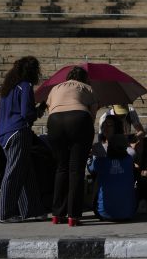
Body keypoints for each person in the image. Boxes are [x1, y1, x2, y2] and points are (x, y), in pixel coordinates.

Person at [45, 66, 99, 226]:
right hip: (79, 119)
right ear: (84, 78)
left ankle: (57, 214)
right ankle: (73, 216)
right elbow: (93, 113)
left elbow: (50, 108)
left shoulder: (55, 88)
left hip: (54, 121)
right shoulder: (87, 87)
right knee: (76, 169)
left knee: (61, 168)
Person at [0, 56, 45, 223]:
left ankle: (32, 209)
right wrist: (36, 111)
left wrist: (36, 110)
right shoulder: (26, 86)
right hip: (19, 132)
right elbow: (26, 114)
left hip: (5, 133)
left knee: (26, 171)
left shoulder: (8, 88)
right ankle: (5, 213)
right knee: (15, 172)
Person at [88, 131, 136, 221]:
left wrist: (94, 156)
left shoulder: (101, 161)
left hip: (103, 213)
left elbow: (90, 168)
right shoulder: (129, 160)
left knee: (97, 178)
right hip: (128, 213)